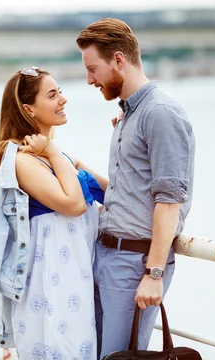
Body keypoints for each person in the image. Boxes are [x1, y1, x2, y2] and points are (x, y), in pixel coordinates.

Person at [76, 18, 196, 358]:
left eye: (93, 69)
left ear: (118, 60)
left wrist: (154, 273)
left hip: (134, 263)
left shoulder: (161, 113)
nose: (89, 80)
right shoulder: (129, 115)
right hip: (107, 256)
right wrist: (69, 163)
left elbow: (169, 202)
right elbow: (128, 191)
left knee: (117, 356)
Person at [0, 67, 107, 360]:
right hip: (48, 288)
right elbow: (73, 204)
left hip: (78, 283)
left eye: (60, 91)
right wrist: (51, 151)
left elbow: (110, 191)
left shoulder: (60, 157)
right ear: (29, 109)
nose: (63, 99)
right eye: (52, 95)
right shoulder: (24, 162)